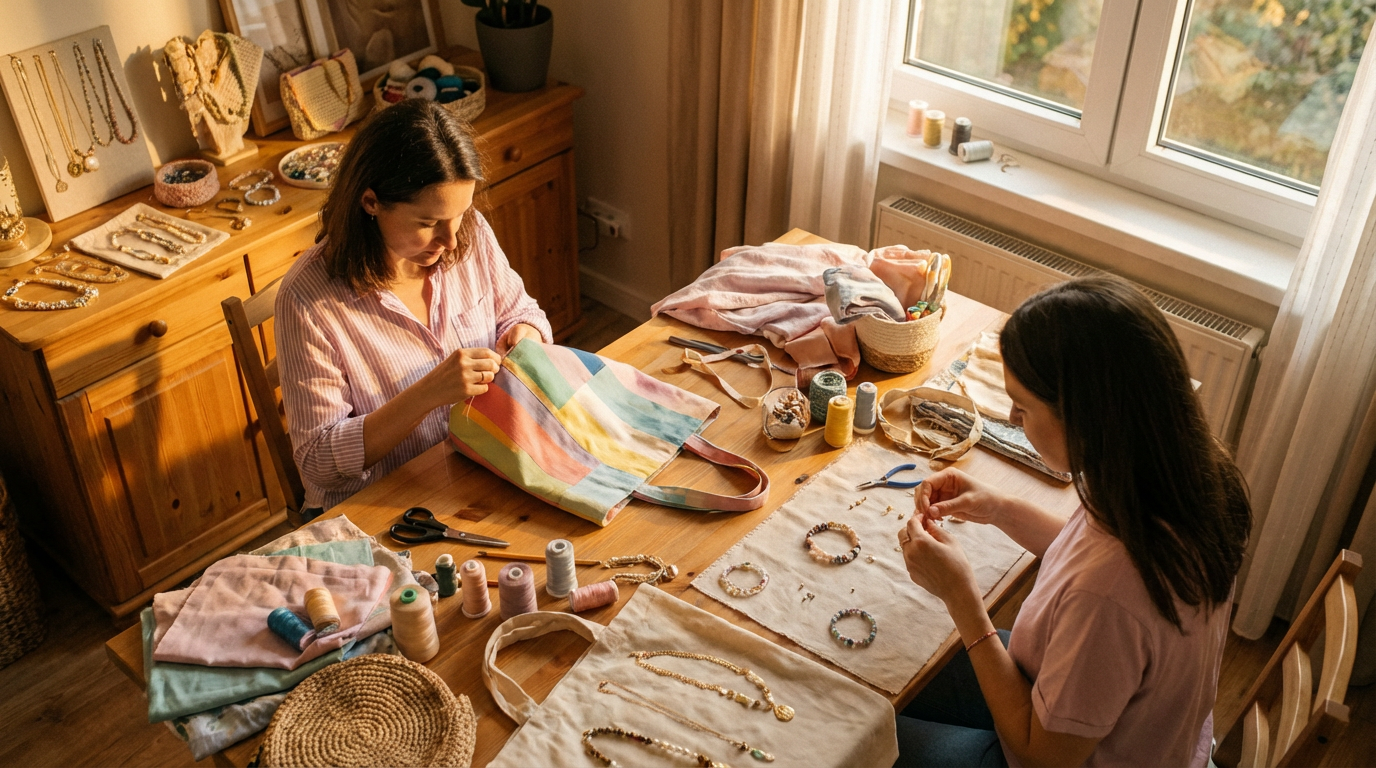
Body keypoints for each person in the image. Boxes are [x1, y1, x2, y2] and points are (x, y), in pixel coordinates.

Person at [895, 276, 1252, 767]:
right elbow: (1083, 548)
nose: (1015, 419)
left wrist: (963, 599)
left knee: (859, 731)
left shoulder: (1108, 594)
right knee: (897, 654)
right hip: (1129, 726)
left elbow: (1042, 756)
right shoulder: (1176, 477)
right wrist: (999, 506)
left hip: (1043, 752)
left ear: (1086, 417)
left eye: (1023, 405)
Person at [276, 99, 551, 511]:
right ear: (370, 202)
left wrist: (523, 336)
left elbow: (523, 312)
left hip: (475, 465)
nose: (452, 240)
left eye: (461, 213)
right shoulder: (307, 301)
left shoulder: (467, 234)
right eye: (428, 223)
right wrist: (426, 395)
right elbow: (317, 462)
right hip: (380, 508)